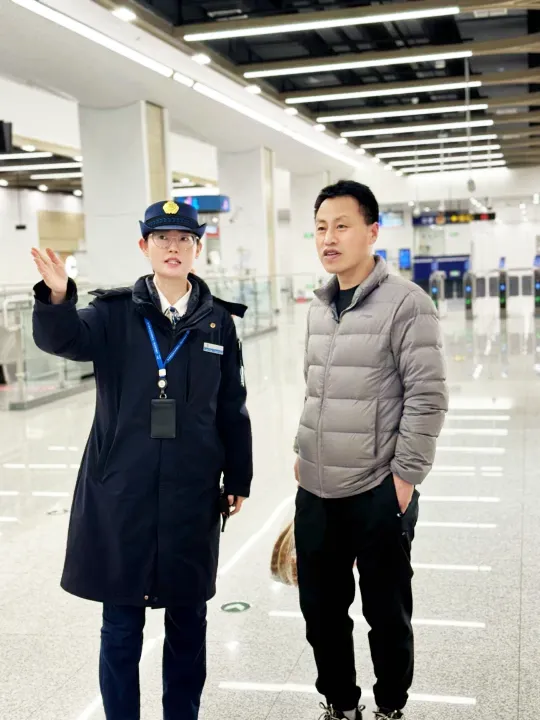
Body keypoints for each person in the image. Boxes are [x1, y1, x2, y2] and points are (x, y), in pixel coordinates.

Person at [31, 200, 253, 720]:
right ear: (144, 247)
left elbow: (231, 404)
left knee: (188, 622)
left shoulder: (217, 323)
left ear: (198, 248)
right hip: (122, 492)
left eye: (183, 239)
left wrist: (238, 475)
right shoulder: (113, 314)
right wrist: (58, 296)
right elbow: (63, 338)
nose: (173, 247)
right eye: (161, 238)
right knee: (121, 624)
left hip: (192, 493)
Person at [293, 181, 448, 720]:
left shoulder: (408, 303)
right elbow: (316, 388)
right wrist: (301, 452)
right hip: (316, 489)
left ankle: (390, 707)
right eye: (320, 228)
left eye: (341, 226)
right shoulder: (318, 307)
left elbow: (427, 397)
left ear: (372, 232)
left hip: (377, 489)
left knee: (386, 614)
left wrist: (403, 480)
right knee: (320, 612)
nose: (328, 238)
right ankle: (340, 704)